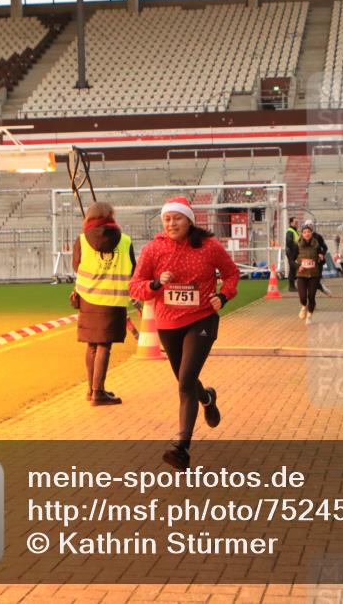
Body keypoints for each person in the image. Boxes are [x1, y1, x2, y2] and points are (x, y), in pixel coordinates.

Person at [129, 196, 240, 470]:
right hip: (168, 324)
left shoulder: (209, 246)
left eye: (177, 218)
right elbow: (136, 287)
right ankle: (208, 398)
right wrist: (155, 284)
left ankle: (182, 447)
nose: (171, 223)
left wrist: (223, 297)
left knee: (185, 380)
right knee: (185, 380)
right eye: (167, 219)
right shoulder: (153, 250)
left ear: (189, 220)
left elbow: (232, 273)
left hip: (201, 319)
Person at [73, 201, 135, 407]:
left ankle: (92, 389)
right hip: (113, 300)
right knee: (104, 346)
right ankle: (99, 392)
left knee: (92, 344)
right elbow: (133, 268)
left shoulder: (81, 240)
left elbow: (76, 266)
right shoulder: (125, 241)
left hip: (88, 299)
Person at [295, 223, 323, 324]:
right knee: (303, 297)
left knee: (311, 296)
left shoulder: (316, 244)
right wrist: (299, 266)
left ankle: (310, 316)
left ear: (311, 233)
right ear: (302, 234)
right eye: (305, 232)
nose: (307, 234)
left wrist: (321, 257)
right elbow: (291, 260)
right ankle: (303, 306)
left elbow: (321, 257)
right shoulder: (297, 245)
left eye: (308, 232)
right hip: (301, 274)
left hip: (313, 274)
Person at [303, 219, 333, 297]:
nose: (309, 226)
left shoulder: (318, 236)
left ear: (313, 226)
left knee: (315, 281)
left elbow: (325, 247)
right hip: (306, 262)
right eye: (308, 225)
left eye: (311, 225)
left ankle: (315, 297)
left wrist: (322, 254)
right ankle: (319, 292)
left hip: (318, 262)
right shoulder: (302, 237)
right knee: (307, 281)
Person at [285, 217, 299, 291]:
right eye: (295, 222)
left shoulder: (294, 231)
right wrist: (297, 247)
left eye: (297, 222)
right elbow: (289, 242)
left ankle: (292, 286)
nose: (297, 224)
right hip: (291, 252)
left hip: (293, 252)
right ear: (291, 223)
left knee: (292, 269)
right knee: (293, 269)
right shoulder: (290, 231)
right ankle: (291, 286)